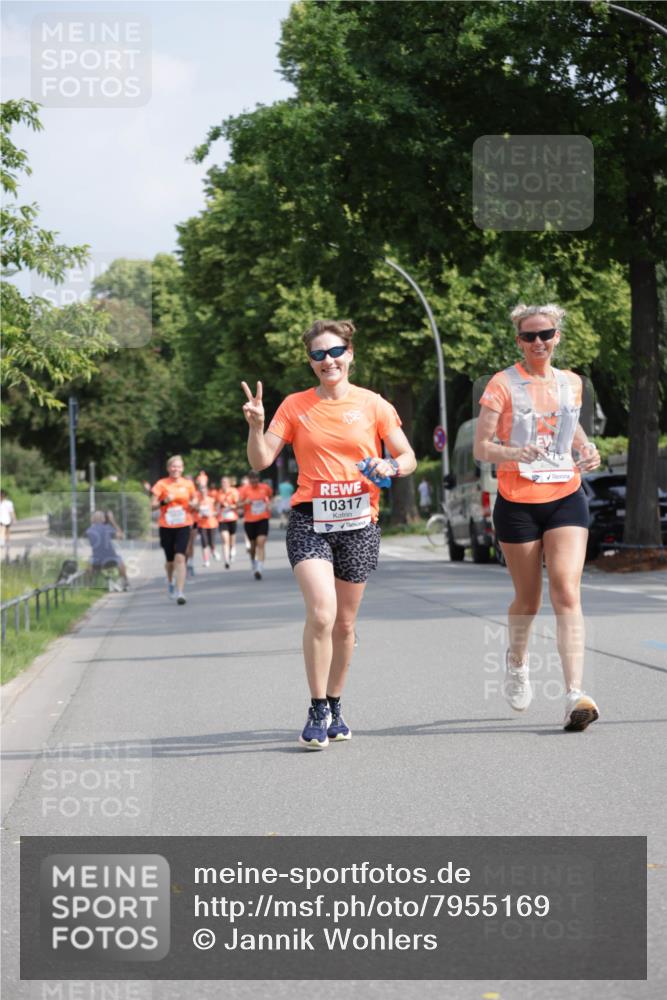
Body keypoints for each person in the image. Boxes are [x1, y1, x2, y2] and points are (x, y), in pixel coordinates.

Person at [242, 318, 416, 750]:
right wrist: (254, 424)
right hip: (309, 519)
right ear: (310, 362)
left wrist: (390, 466)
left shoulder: (374, 404)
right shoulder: (295, 406)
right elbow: (261, 460)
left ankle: (336, 704)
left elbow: (408, 455)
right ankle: (317, 706)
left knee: (345, 623)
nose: (328, 360)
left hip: (360, 522)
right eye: (318, 354)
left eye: (335, 351)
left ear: (350, 355)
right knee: (321, 613)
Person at [474, 303, 601, 732]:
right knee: (529, 601)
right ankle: (517, 662)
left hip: (565, 494)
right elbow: (482, 447)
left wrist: (585, 447)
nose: (538, 342)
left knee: (567, 590)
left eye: (545, 334)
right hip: (518, 499)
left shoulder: (572, 383)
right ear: (519, 342)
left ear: (557, 336)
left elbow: (568, 426)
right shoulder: (501, 384)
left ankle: (573, 695)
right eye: (529, 337)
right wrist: (513, 453)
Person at [150, 455, 198, 605]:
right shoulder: (161, 484)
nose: (176, 469)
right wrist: (165, 501)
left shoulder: (188, 484)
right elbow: (152, 505)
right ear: (168, 468)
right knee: (170, 561)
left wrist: (194, 504)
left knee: (180, 557)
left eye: (178, 466)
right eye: (173, 466)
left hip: (184, 524)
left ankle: (180, 592)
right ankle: (170, 580)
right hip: (166, 525)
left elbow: (195, 500)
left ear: (182, 468)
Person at [237, 471, 273, 580]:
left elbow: (270, 497)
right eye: (252, 479)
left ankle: (259, 569)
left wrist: (268, 504)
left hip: (263, 519)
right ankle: (253, 562)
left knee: (261, 543)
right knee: (253, 546)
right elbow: (238, 504)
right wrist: (245, 503)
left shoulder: (265, 488)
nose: (254, 481)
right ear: (249, 479)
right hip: (249, 521)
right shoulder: (244, 490)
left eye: (256, 478)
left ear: (258, 479)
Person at [85, 510, 129, 590]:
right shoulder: (108, 528)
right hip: (111, 557)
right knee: (121, 563)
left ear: (93, 519)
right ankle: (125, 582)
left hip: (96, 559)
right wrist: (112, 520)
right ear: (103, 519)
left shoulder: (89, 530)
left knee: (88, 564)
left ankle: (89, 585)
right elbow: (121, 536)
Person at [217, 476, 240, 568]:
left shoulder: (234, 492)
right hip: (222, 519)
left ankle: (232, 549)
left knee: (232, 539)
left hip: (232, 518)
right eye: (222, 482)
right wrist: (218, 507)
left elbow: (238, 505)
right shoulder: (219, 493)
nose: (224, 484)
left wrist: (230, 506)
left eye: (225, 482)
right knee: (225, 540)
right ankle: (226, 560)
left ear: (229, 483)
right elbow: (216, 506)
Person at [196, 483, 220, 566]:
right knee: (204, 543)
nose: (203, 492)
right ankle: (206, 560)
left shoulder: (212, 500)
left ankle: (213, 551)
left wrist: (212, 514)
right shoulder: (198, 502)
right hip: (202, 525)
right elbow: (195, 512)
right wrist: (199, 514)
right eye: (201, 490)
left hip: (212, 524)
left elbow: (217, 511)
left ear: (207, 491)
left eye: (204, 490)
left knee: (212, 543)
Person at [0, 490, 16, 556]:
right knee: (1, 530)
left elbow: (11, 511)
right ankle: (2, 542)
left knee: (7, 532)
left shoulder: (9, 503)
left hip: (7, 519)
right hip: (1, 520)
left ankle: (7, 542)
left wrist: (14, 518)